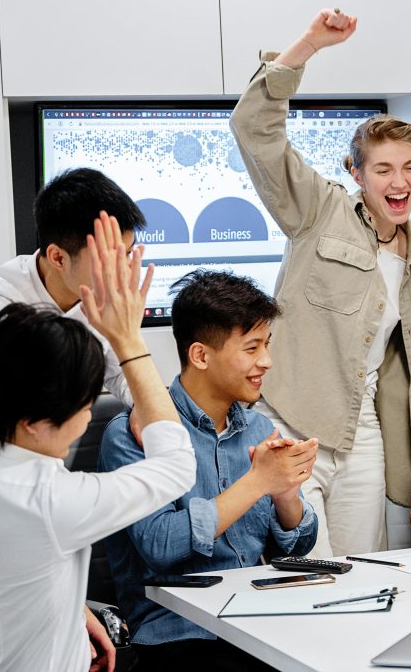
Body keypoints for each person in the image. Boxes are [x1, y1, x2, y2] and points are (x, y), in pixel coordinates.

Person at [230, 9, 411, 557]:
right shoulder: (317, 212)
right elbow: (254, 128)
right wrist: (309, 46)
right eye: (384, 169)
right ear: (357, 173)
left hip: (361, 428)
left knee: (363, 568)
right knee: (310, 566)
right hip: (292, 416)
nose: (400, 181)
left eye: (410, 167)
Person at [0, 214, 196, 672]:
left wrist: (66, 609)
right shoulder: (52, 500)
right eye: (85, 403)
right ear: (37, 420)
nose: (89, 415)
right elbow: (176, 465)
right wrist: (129, 339)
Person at [99, 270, 318, 670]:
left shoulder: (257, 427)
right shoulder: (131, 435)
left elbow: (297, 545)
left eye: (266, 345)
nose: (266, 362)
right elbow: (160, 546)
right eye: (251, 348)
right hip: (180, 634)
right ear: (200, 355)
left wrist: (286, 494)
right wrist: (256, 483)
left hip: (259, 620)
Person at [0, 167, 145, 447]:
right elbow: (32, 392)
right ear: (58, 257)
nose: (123, 270)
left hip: (41, 461)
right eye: (109, 259)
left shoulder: (104, 295)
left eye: (129, 253)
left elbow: (121, 371)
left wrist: (143, 405)